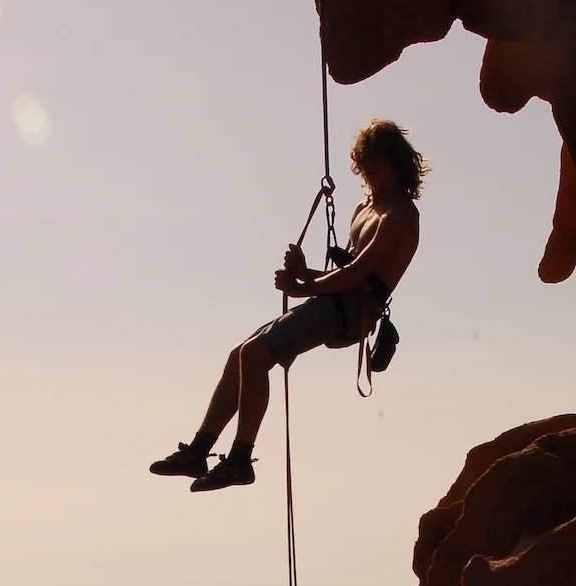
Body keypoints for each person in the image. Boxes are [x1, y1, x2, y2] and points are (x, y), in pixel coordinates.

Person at [150, 118, 425, 492]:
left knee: (254, 355)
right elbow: (342, 272)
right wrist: (304, 274)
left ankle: (240, 461)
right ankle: (199, 451)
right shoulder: (365, 207)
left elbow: (360, 273)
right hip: (337, 301)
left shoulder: (401, 214)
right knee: (240, 356)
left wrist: (302, 287)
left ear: (394, 162)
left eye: (373, 166)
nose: (367, 173)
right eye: (363, 167)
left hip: (352, 310)